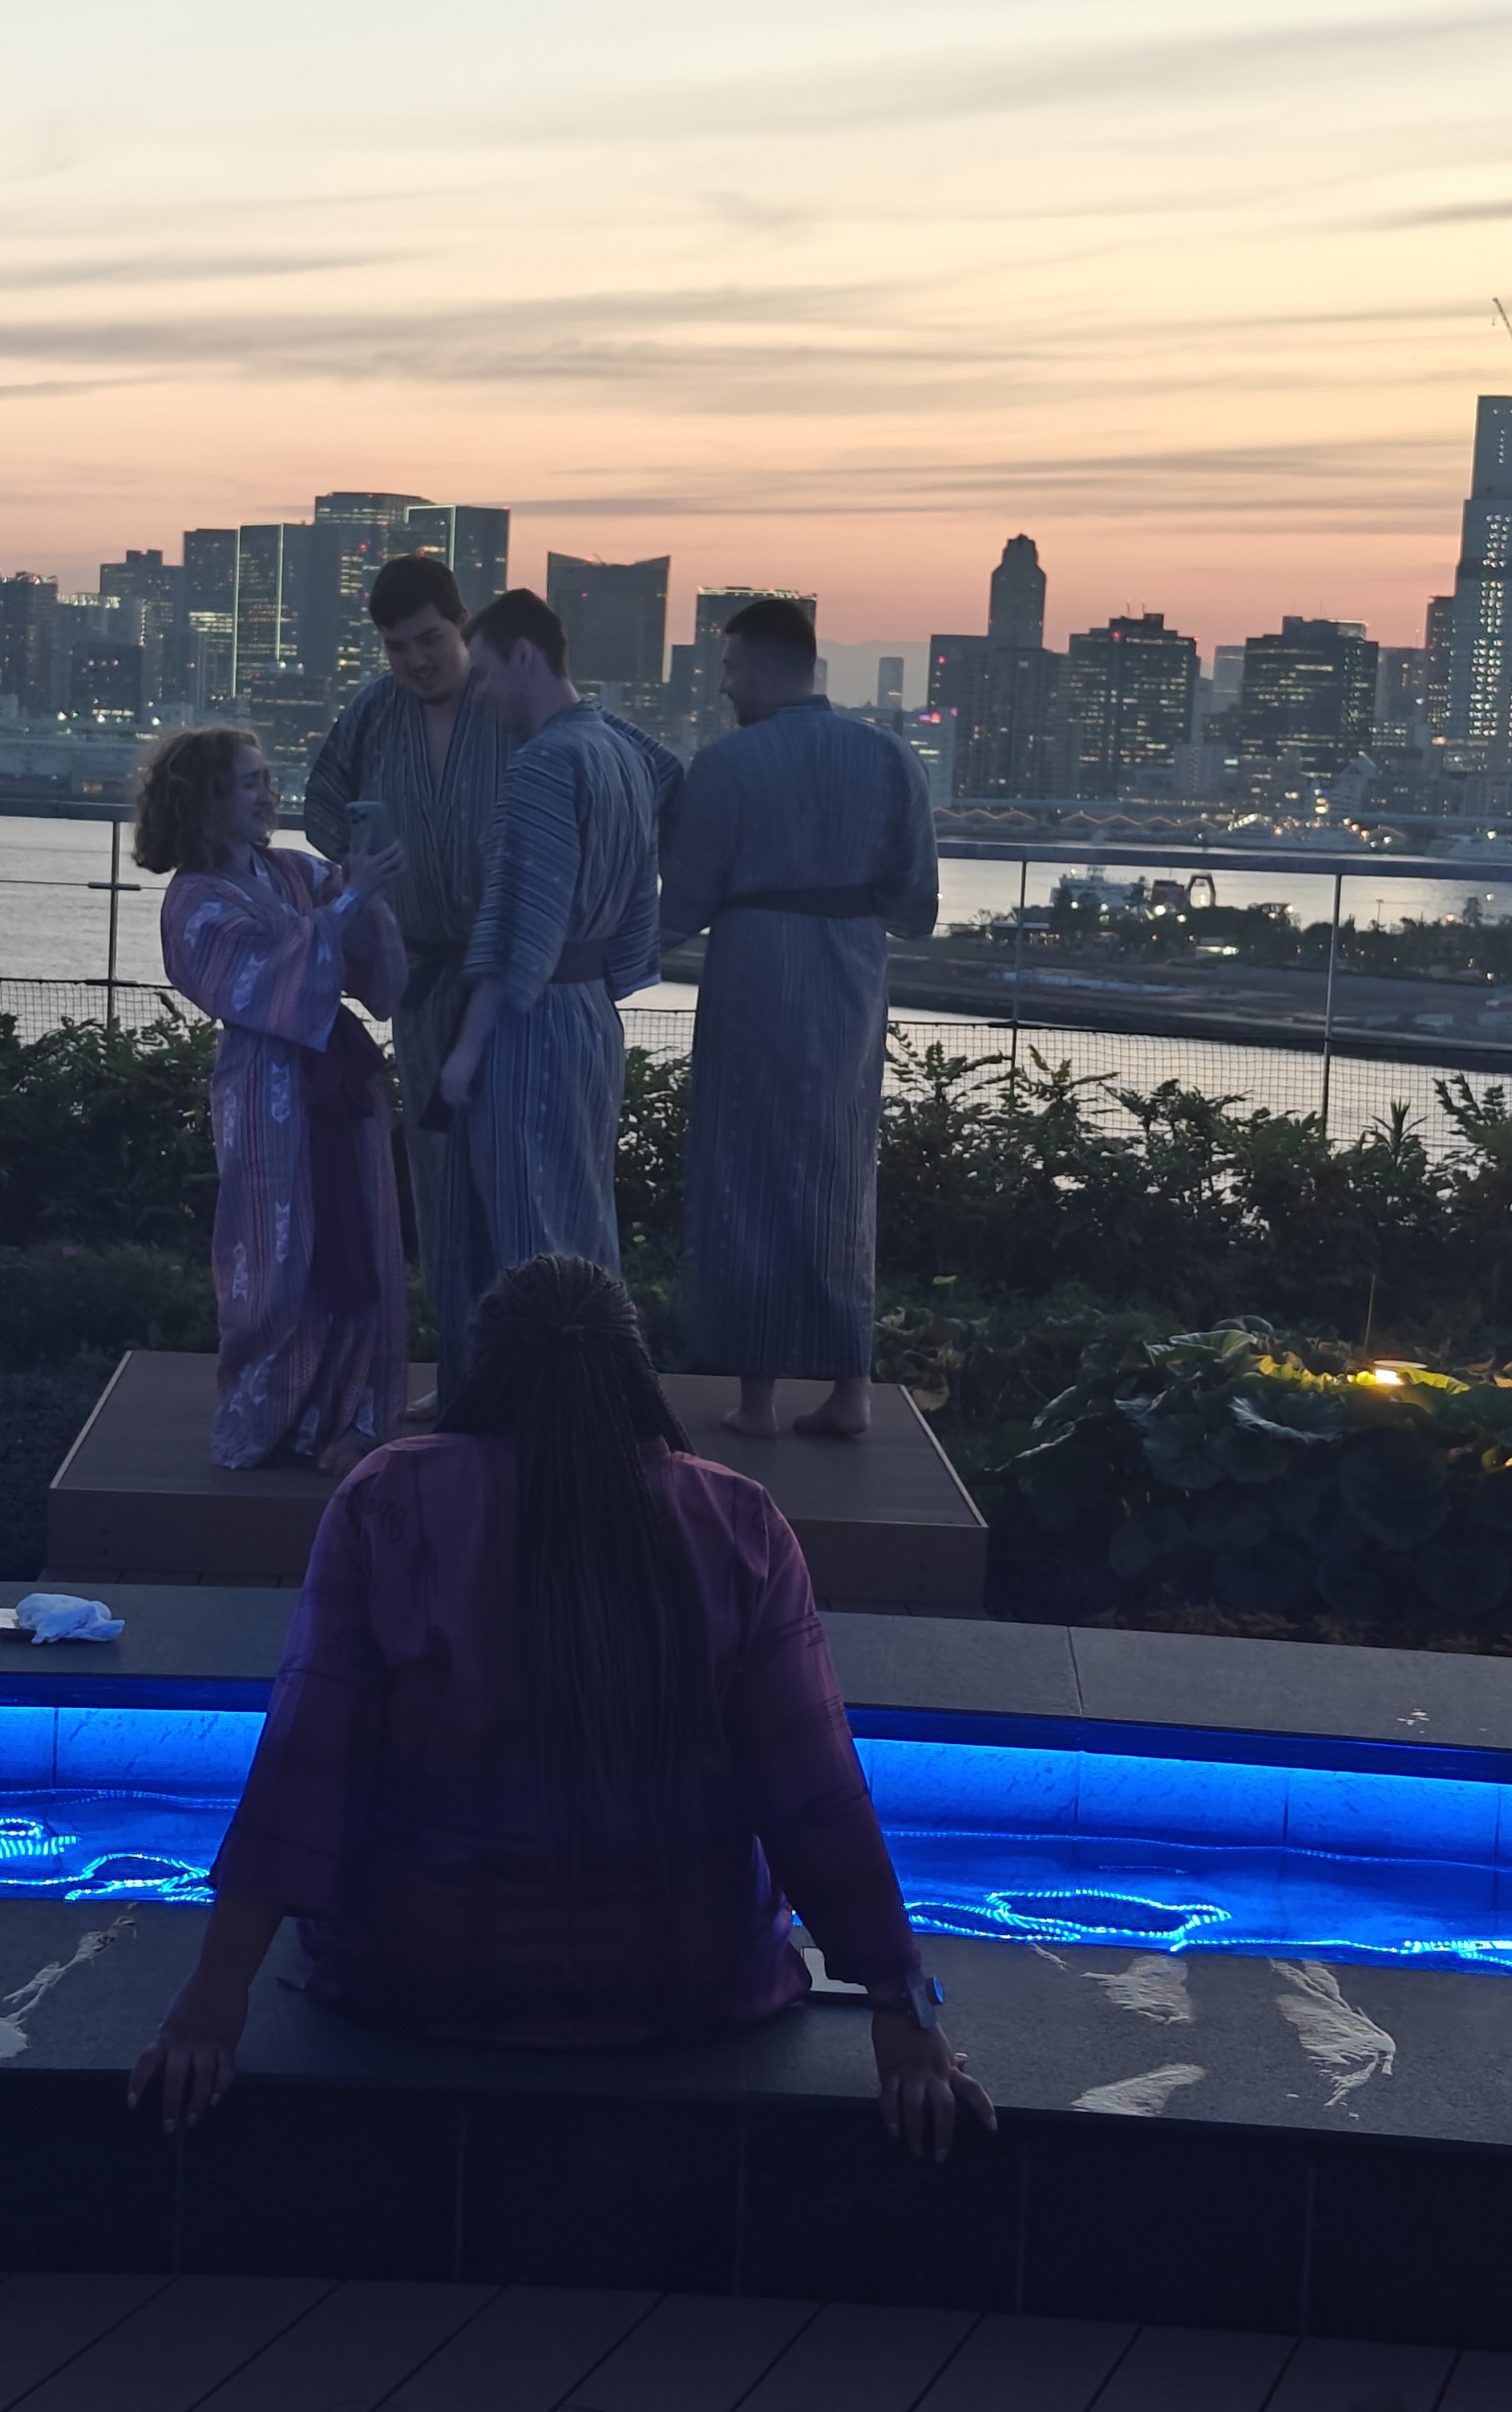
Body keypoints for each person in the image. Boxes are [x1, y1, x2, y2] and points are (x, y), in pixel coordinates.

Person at [129, 1253, 995, 2162]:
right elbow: (812, 1789)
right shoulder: (735, 1518)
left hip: (423, 1972)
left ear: (483, 1364)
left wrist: (213, 1998)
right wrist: (903, 2006)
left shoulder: (389, 1498)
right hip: (685, 1980)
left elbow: (309, 1758)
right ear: (633, 1366)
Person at [661, 597, 937, 1440]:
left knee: (743, 1165)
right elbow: (915, 903)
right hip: (849, 976)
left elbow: (684, 903)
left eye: (729, 668)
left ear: (763, 667)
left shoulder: (724, 765)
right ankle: (849, 1386)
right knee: (838, 1170)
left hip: (752, 969)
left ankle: (756, 1397)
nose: (721, 685)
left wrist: (586, 962)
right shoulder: (889, 756)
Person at [147, 723, 413, 1475]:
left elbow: (363, 963)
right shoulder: (193, 903)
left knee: (359, 1234)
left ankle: (355, 1414)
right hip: (265, 1092)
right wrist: (346, 902)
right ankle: (276, 1415)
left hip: (338, 1084)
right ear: (204, 798)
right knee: (275, 1254)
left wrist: (367, 897)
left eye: (266, 779)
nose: (267, 795)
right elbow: (257, 979)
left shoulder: (295, 871)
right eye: (247, 783)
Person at [431, 591, 676, 1381]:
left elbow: (519, 926)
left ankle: (537, 1405)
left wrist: (465, 1049)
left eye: (488, 674)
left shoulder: (542, 762)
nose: (483, 695)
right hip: (592, 1010)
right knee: (581, 1214)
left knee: (525, 1214)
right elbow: (676, 777)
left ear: (525, 657)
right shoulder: (623, 751)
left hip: (532, 1019)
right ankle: (605, 1388)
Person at [300, 553, 520, 1417]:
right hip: (422, 974)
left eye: (429, 639)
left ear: (460, 624)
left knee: (516, 1177)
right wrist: (352, 868)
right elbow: (321, 801)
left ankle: (531, 1378)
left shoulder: (509, 703)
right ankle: (462, 1376)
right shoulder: (372, 710)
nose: (417, 660)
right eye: (398, 647)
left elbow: (613, 775)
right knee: (437, 1185)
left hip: (511, 973)